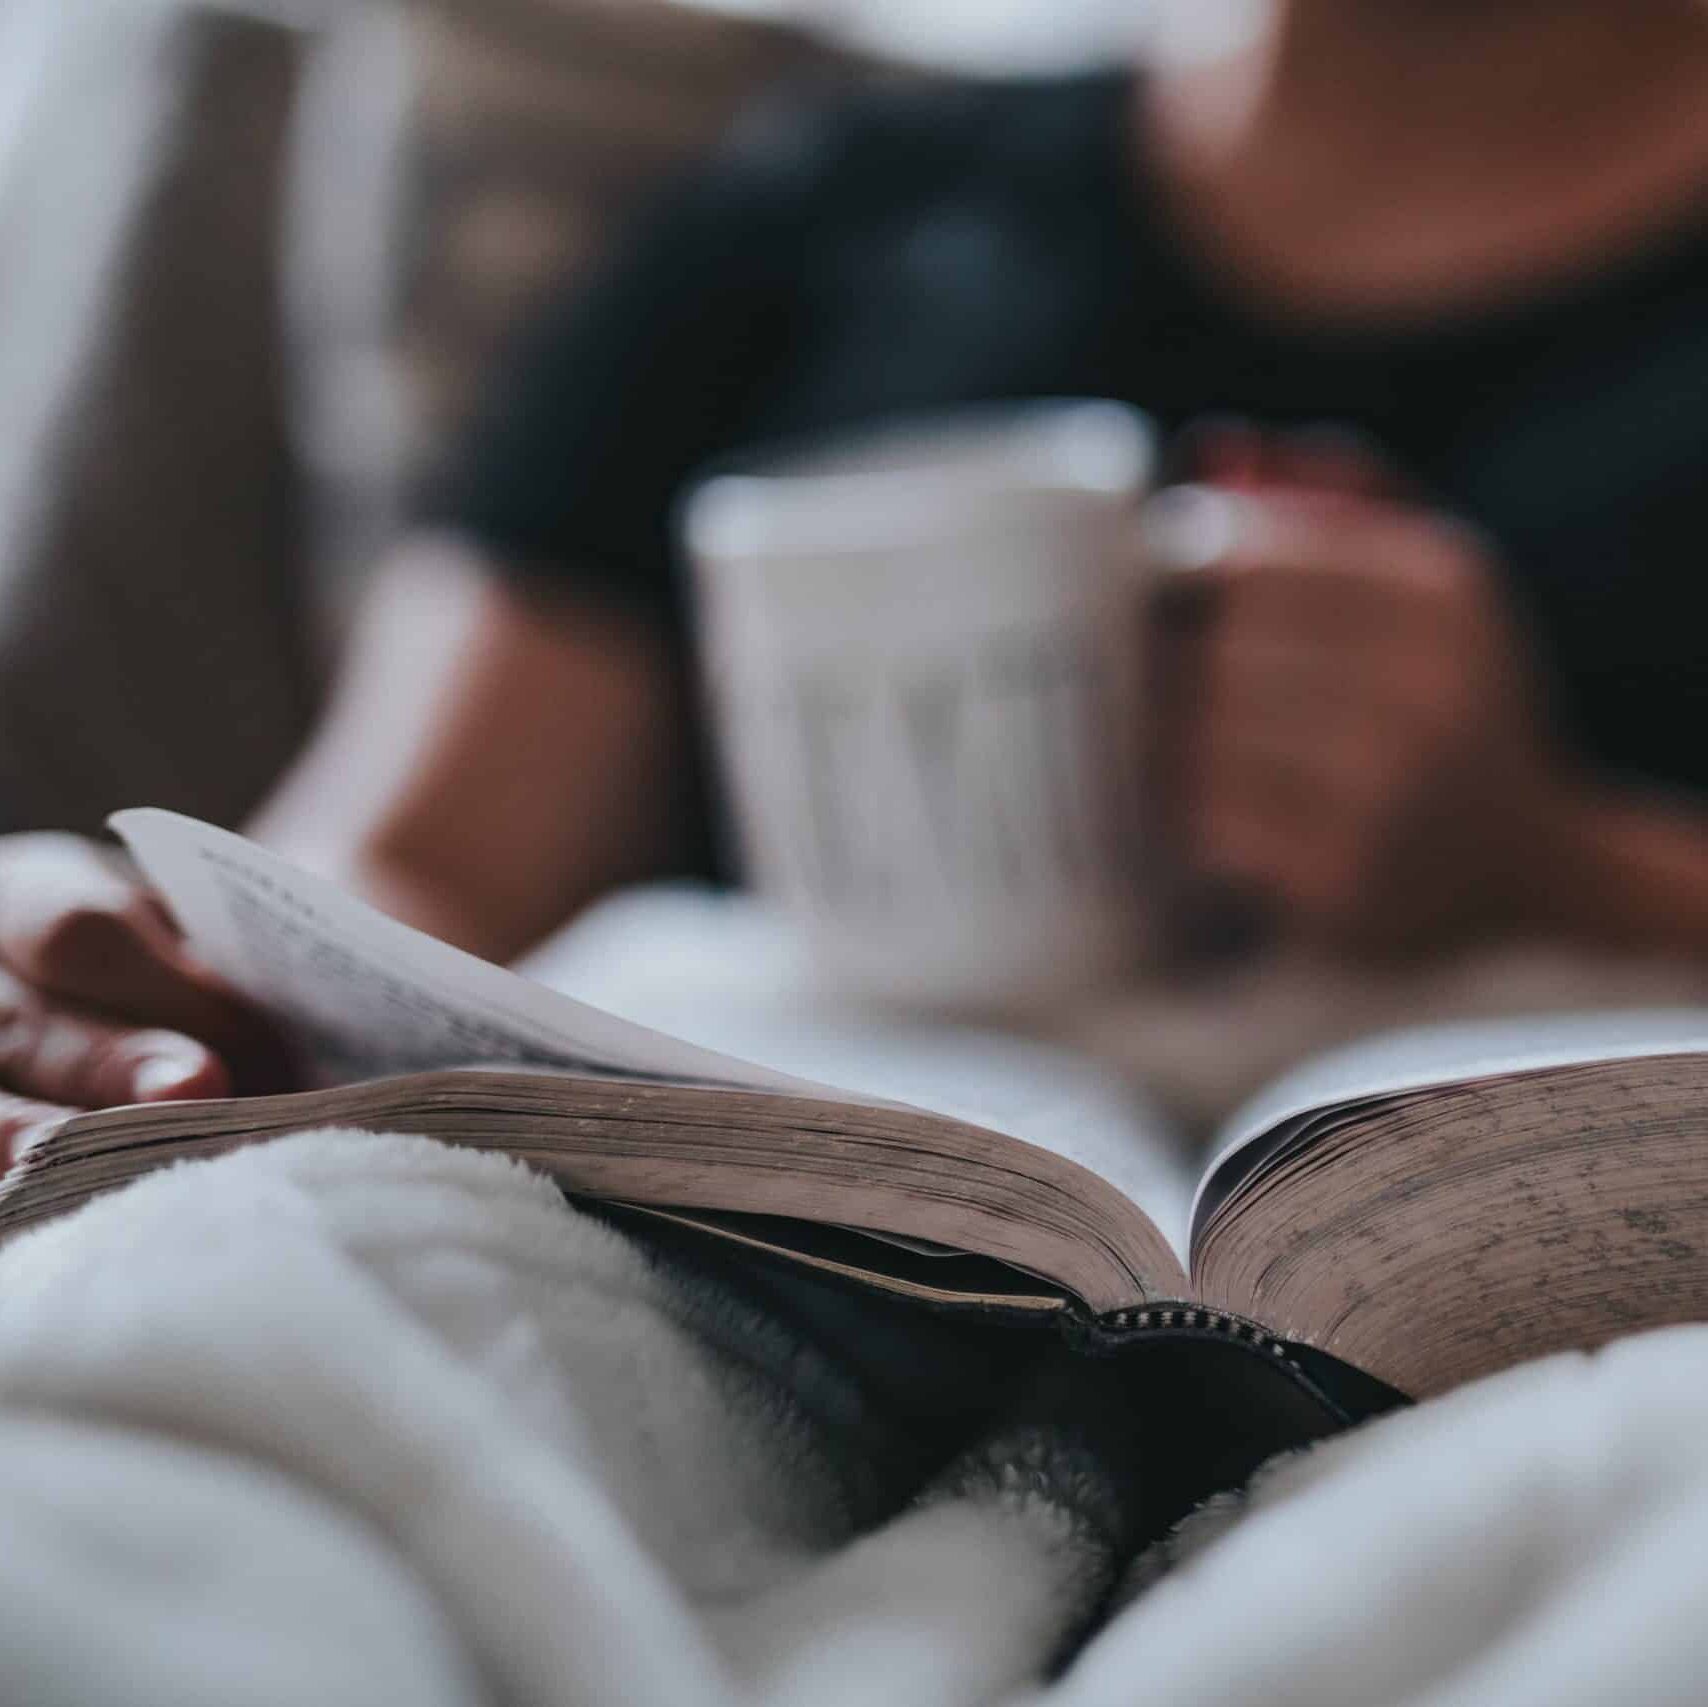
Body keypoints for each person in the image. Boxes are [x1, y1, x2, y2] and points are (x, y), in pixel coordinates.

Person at [5, 0, 1708, 1161]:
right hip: (761, 1287)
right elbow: (414, 853)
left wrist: (1552, 856)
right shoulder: (810, 218)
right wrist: (119, 976)